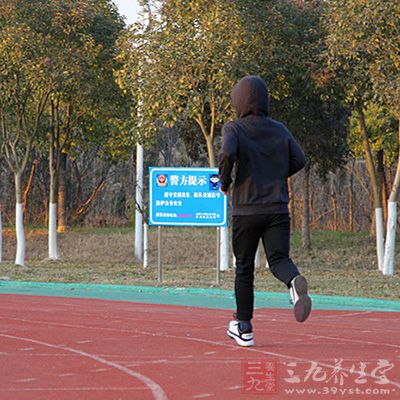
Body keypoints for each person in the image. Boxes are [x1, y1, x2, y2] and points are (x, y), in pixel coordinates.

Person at [218, 75, 311, 347]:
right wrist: (276, 175)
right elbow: (300, 159)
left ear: (239, 100)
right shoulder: (280, 129)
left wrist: (225, 182)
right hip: (277, 209)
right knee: (279, 259)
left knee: (244, 267)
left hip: (247, 210)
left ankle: (244, 327)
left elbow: (226, 154)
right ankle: (294, 281)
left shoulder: (233, 129)